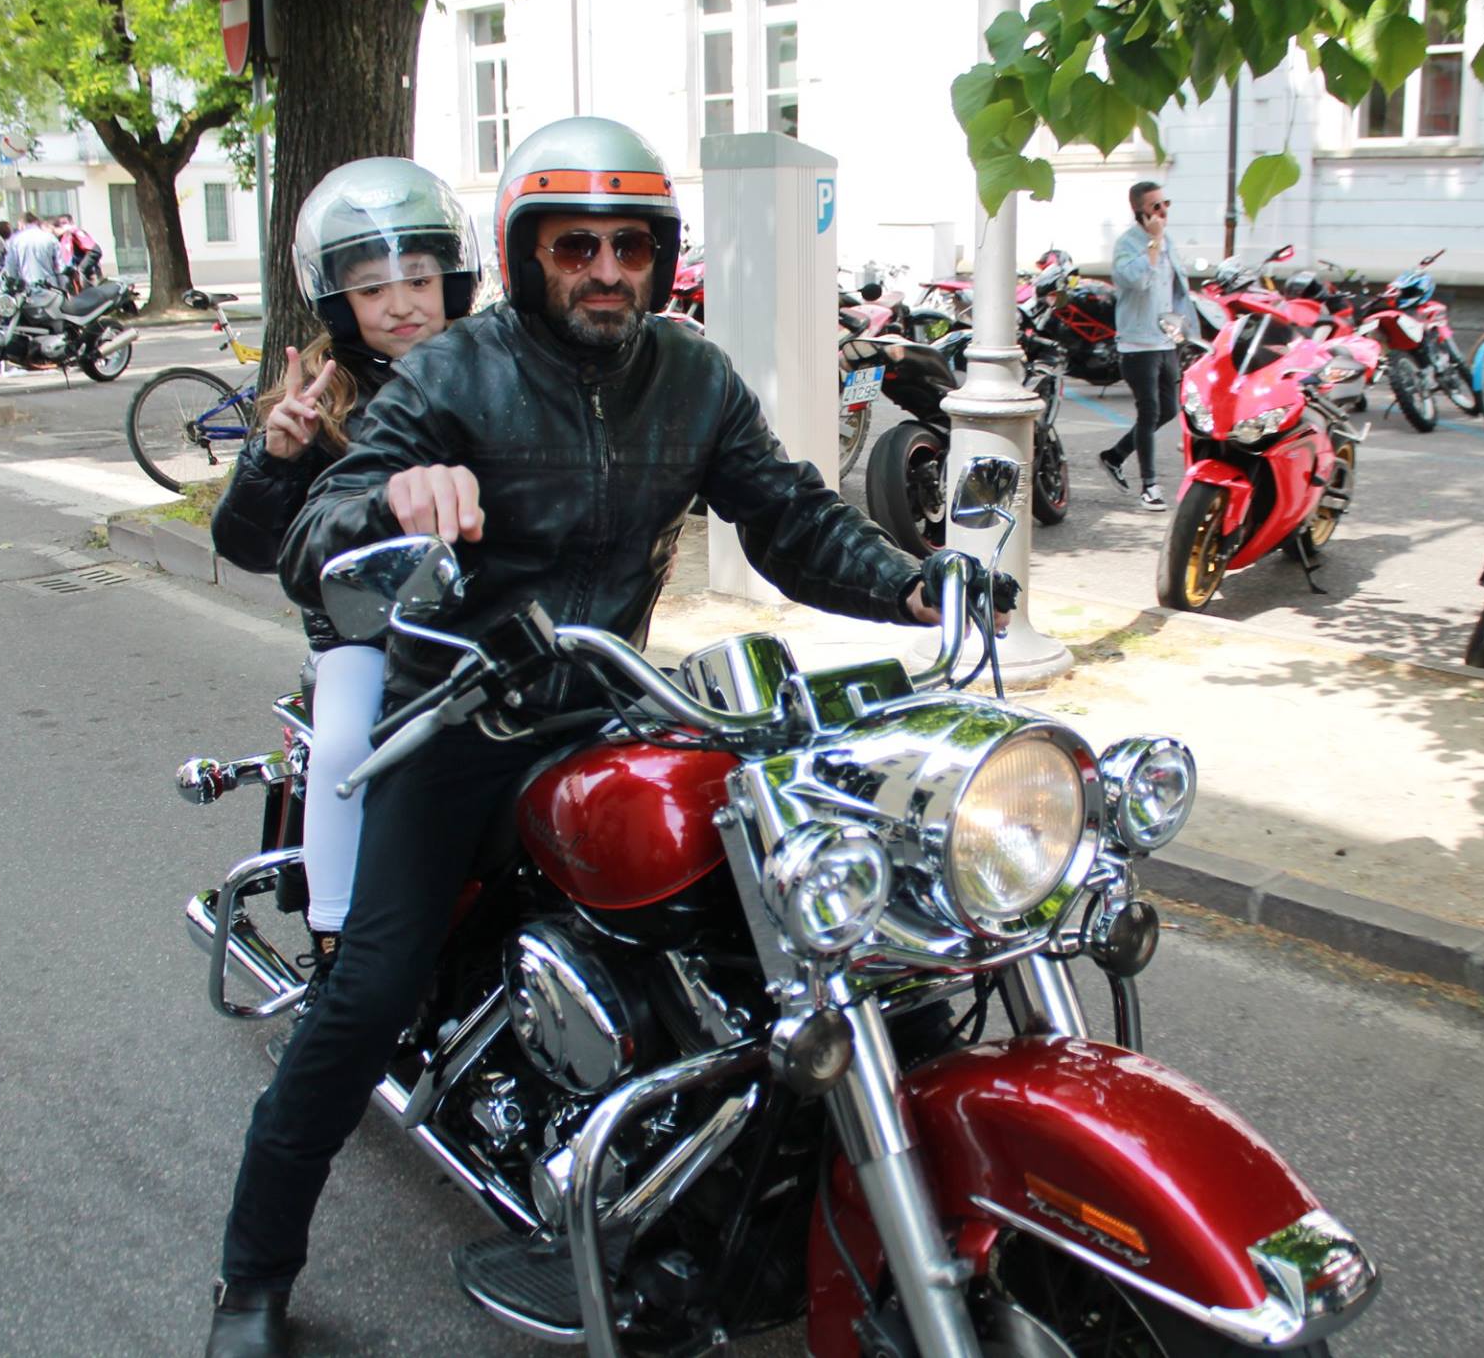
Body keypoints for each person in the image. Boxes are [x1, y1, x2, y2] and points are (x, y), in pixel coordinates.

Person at [202, 116, 1004, 1358]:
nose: (607, 269)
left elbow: (786, 516)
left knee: (787, 905)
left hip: (616, 697)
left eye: (630, 245)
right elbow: (318, 530)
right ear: (527, 257)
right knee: (365, 993)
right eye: (575, 246)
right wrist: (390, 501)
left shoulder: (690, 375)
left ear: (660, 256)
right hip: (457, 712)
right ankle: (252, 1280)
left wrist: (913, 582)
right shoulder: (453, 372)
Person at [208, 157, 479, 1008]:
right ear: (337, 301)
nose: (401, 302)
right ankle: (337, 949)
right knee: (345, 745)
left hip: (483, 618)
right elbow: (246, 544)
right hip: (366, 632)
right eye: (372, 287)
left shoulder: (494, 365)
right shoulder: (326, 397)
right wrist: (276, 456)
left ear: (453, 280)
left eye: (419, 278)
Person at [1096, 179, 1196, 513]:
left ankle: (1114, 456)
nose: (1163, 210)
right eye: (1156, 206)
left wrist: (1185, 330)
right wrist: (1153, 243)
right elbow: (1135, 281)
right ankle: (1149, 486)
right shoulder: (1129, 244)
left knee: (1168, 408)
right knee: (1149, 410)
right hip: (1137, 344)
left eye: (1166, 203)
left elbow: (1177, 290)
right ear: (1139, 211)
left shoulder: (1169, 242)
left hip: (1166, 339)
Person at [5, 211, 62, 290]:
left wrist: (13, 284)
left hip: (27, 288)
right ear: (36, 222)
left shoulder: (15, 240)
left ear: (21, 224)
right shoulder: (50, 238)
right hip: (50, 287)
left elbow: (11, 267)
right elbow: (61, 265)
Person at [53, 213, 103, 291]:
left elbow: (93, 249)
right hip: (77, 267)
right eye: (60, 224)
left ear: (71, 223)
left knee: (82, 275)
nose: (63, 226)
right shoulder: (63, 237)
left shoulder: (75, 232)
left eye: (64, 223)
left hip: (86, 266)